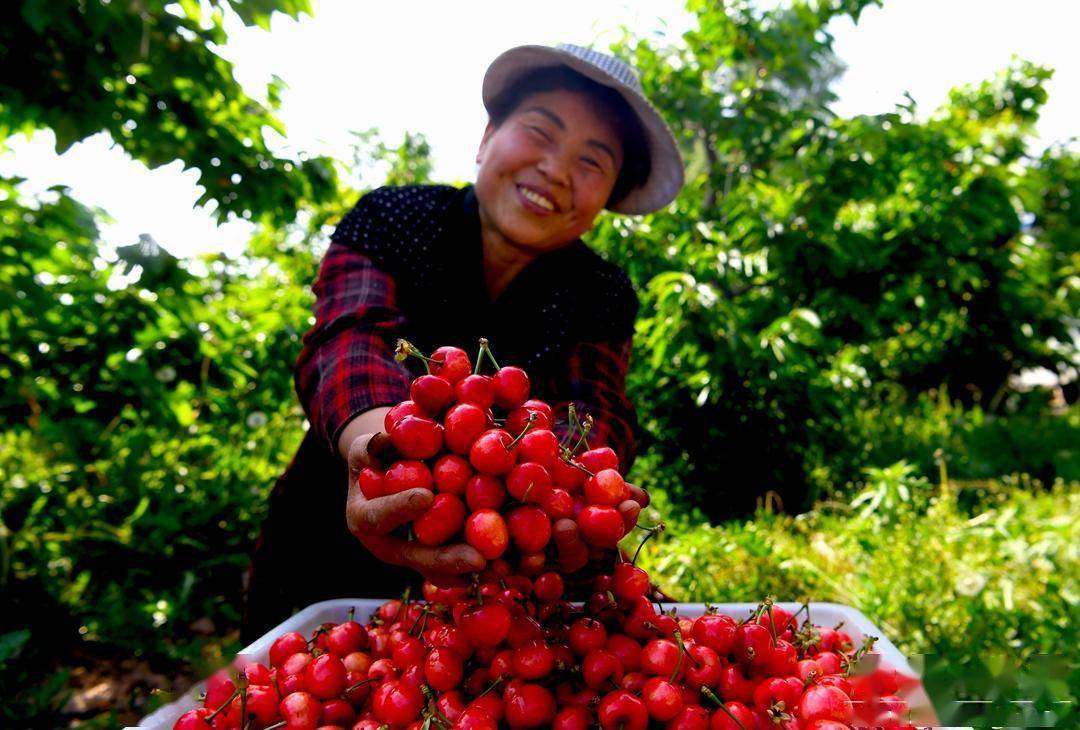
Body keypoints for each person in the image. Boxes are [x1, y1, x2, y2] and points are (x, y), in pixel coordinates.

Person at [243, 43, 684, 641]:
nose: (556, 170)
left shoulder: (601, 293)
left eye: (592, 162)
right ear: (486, 137)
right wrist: (381, 450)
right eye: (540, 131)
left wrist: (571, 487)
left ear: (605, 199)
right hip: (326, 550)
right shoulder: (394, 217)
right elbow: (349, 340)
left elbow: (594, 405)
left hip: (508, 585)